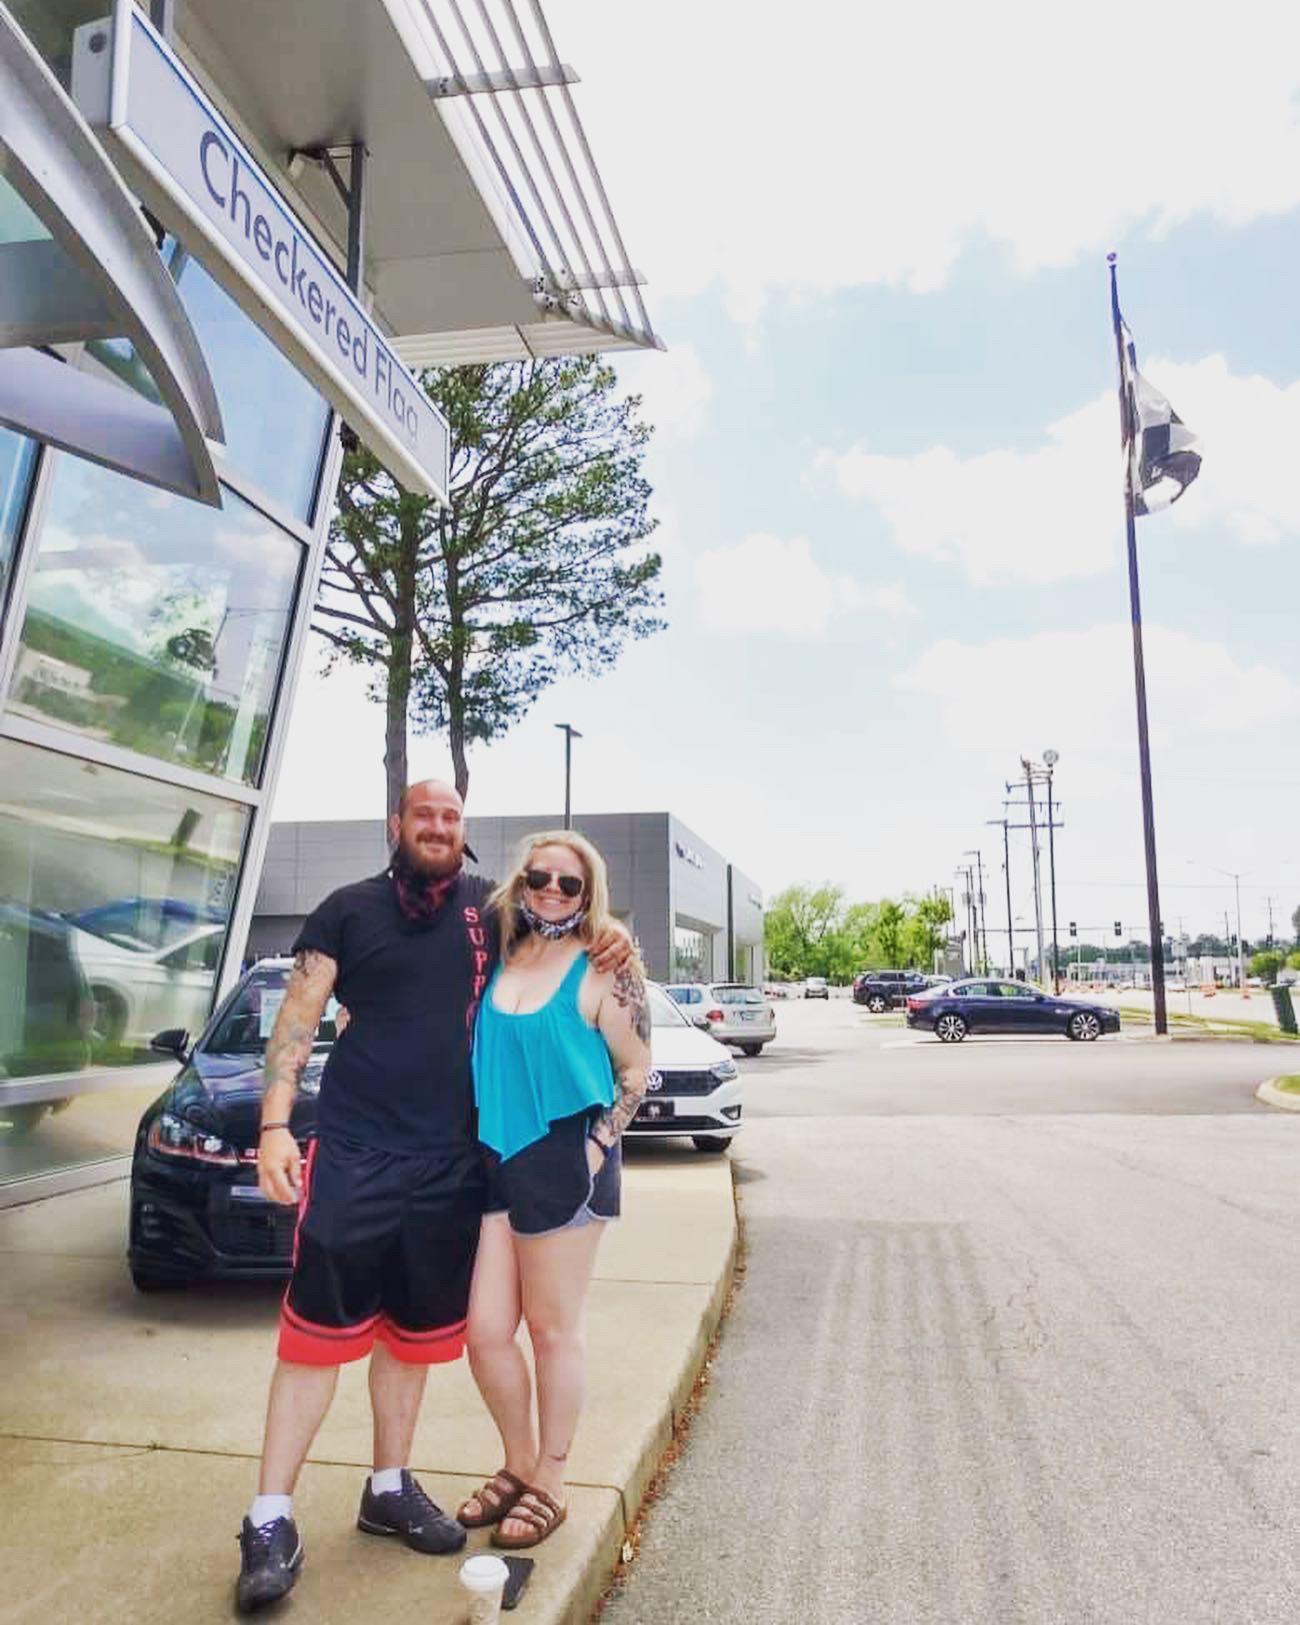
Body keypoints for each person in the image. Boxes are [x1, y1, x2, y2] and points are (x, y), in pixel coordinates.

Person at [235, 781, 630, 1614]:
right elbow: (298, 1018)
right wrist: (276, 1126)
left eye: (453, 819)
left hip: (454, 1164)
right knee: (315, 1337)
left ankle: (389, 1486)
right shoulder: (346, 909)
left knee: (412, 1338)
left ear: (465, 836)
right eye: (426, 816)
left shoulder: (489, 919)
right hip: (356, 1153)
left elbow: (573, 927)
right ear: (398, 826)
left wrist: (615, 936)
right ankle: (269, 1516)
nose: (440, 828)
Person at [454, 831, 651, 1550]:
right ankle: (519, 1461)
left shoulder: (605, 967)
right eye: (541, 876)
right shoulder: (505, 947)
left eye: (570, 884)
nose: (552, 891)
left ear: (588, 891)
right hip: (498, 1159)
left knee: (551, 1328)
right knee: (483, 1332)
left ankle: (553, 1482)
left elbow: (638, 1069)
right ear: (523, 878)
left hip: (567, 1158)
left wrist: (597, 1145)